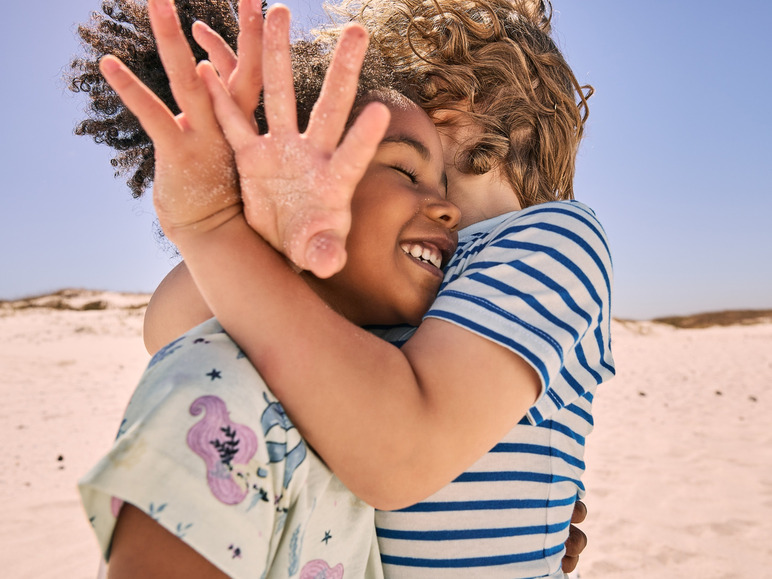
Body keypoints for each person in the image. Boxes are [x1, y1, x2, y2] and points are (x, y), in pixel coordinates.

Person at [70, 0, 602, 576]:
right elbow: (172, 332)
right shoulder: (367, 283)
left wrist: (220, 233)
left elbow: (403, 454)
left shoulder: (541, 239)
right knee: (209, 370)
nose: (440, 204)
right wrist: (246, 230)